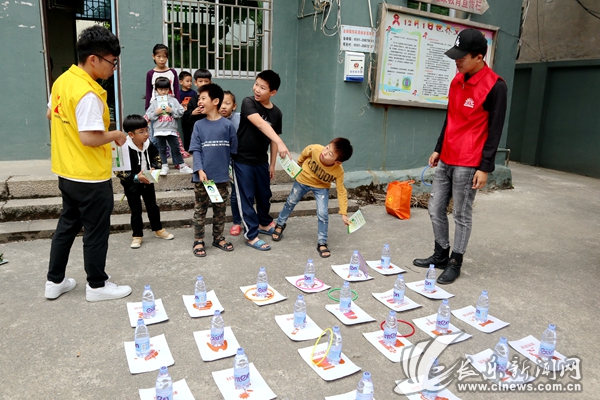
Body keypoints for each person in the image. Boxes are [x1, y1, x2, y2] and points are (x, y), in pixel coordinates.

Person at [412, 28, 508, 284]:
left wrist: (485, 167)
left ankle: (456, 261)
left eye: (462, 56)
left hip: (470, 161)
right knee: (435, 207)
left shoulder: (495, 86)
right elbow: (450, 118)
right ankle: (441, 252)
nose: (457, 60)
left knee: (462, 214)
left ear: (479, 57)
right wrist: (438, 147)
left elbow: (496, 129)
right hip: (447, 156)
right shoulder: (457, 80)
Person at [44, 25, 132, 302]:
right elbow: (89, 137)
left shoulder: (63, 81)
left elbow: (51, 114)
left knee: (67, 226)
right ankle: (97, 285)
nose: (113, 68)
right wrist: (116, 134)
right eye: (111, 61)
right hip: (90, 177)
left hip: (67, 171)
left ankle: (54, 281)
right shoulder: (88, 93)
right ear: (93, 58)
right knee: (95, 231)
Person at [231, 70, 291, 251]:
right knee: (246, 197)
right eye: (256, 84)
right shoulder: (249, 102)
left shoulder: (277, 113)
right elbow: (260, 124)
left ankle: (264, 222)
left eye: (262, 87)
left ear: (273, 92)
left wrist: (272, 164)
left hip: (261, 161)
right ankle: (251, 235)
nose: (256, 89)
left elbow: (273, 139)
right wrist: (281, 143)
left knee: (265, 194)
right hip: (242, 160)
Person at [272, 138, 353, 258]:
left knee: (323, 214)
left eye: (330, 154)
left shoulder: (338, 171)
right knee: (290, 202)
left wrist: (343, 213)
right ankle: (280, 224)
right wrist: (298, 166)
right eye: (327, 147)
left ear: (337, 162)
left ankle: (322, 242)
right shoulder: (315, 149)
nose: (325, 152)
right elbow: (305, 153)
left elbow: (341, 191)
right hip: (302, 180)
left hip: (321, 188)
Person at [188, 83, 238, 257]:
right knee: (200, 210)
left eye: (203, 98)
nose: (199, 101)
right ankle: (198, 240)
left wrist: (229, 171)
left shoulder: (227, 126)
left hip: (222, 178)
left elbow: (233, 151)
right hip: (203, 178)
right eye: (198, 99)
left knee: (220, 209)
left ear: (215, 101)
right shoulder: (199, 125)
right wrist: (199, 170)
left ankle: (218, 237)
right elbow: (196, 150)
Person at [116, 115, 175, 249]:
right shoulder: (122, 147)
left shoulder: (149, 144)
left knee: (152, 206)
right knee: (135, 209)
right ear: (131, 134)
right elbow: (119, 171)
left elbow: (157, 158)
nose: (146, 134)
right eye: (141, 132)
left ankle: (158, 229)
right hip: (132, 185)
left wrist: (155, 168)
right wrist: (136, 177)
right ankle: (137, 235)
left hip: (148, 180)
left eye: (147, 130)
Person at [145, 77, 193, 176]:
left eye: (166, 89)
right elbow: (148, 116)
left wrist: (171, 110)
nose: (163, 92)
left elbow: (180, 112)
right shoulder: (154, 103)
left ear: (169, 89)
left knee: (175, 148)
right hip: (159, 130)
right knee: (161, 149)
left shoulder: (174, 100)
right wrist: (156, 112)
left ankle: (182, 165)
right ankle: (164, 166)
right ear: (156, 90)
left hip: (171, 129)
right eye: (161, 89)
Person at [220, 90, 242, 236]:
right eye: (220, 103)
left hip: (238, 162)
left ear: (234, 106)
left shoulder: (240, 118)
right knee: (228, 194)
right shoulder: (211, 120)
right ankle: (233, 222)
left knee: (239, 193)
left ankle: (241, 220)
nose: (223, 106)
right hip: (220, 163)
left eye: (227, 103)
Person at [182, 69, 212, 151]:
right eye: (200, 81)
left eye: (206, 81)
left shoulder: (213, 98)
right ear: (195, 83)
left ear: (210, 82)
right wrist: (192, 113)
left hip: (209, 130)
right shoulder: (193, 99)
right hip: (196, 131)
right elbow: (186, 118)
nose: (203, 84)